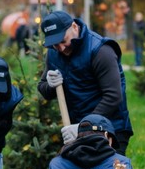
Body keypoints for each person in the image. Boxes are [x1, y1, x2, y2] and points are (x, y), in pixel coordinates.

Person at [38, 10, 134, 154]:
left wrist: (84, 126)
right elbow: (43, 88)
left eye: (64, 41)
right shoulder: (53, 53)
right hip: (77, 130)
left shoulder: (100, 50)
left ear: (74, 27)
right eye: (55, 45)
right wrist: (50, 85)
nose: (61, 48)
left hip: (110, 129)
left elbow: (113, 96)